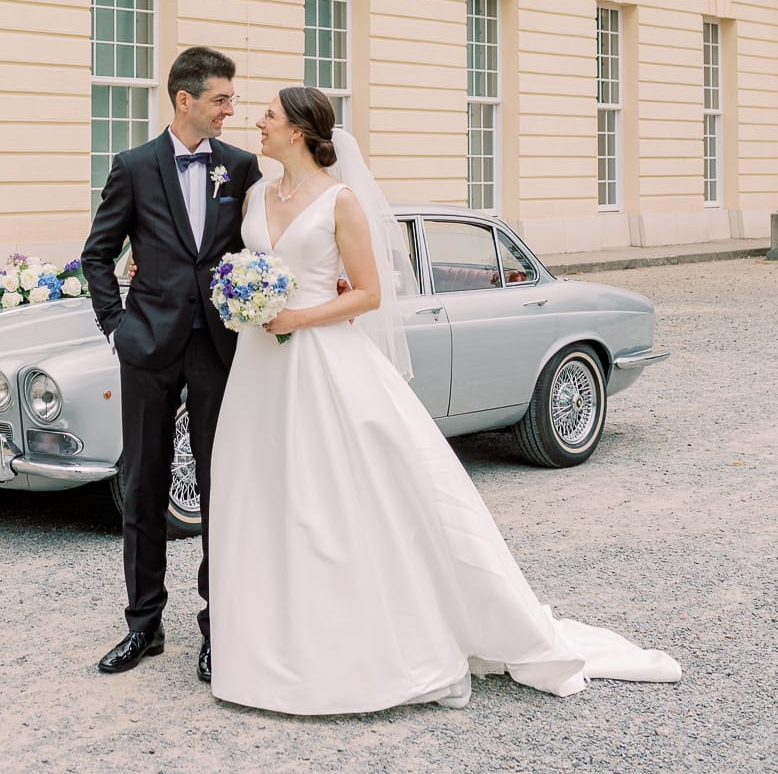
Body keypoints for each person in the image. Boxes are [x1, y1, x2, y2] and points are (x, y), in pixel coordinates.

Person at [209, 86, 681, 715]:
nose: (257, 122)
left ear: (297, 131)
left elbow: (370, 294)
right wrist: (244, 299)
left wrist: (299, 315)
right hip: (259, 364)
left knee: (332, 494)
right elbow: (245, 264)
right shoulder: (256, 194)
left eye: (269, 115)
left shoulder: (339, 202)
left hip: (318, 356)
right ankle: (269, 644)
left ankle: (355, 645)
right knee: (265, 491)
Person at [82, 46, 262, 682]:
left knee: (221, 489)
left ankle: (219, 629)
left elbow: (256, 248)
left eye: (231, 100)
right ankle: (143, 625)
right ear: (184, 100)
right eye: (220, 99)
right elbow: (97, 255)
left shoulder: (242, 168)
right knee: (144, 484)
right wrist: (117, 328)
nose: (229, 110)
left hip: (218, 347)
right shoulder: (132, 167)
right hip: (149, 348)